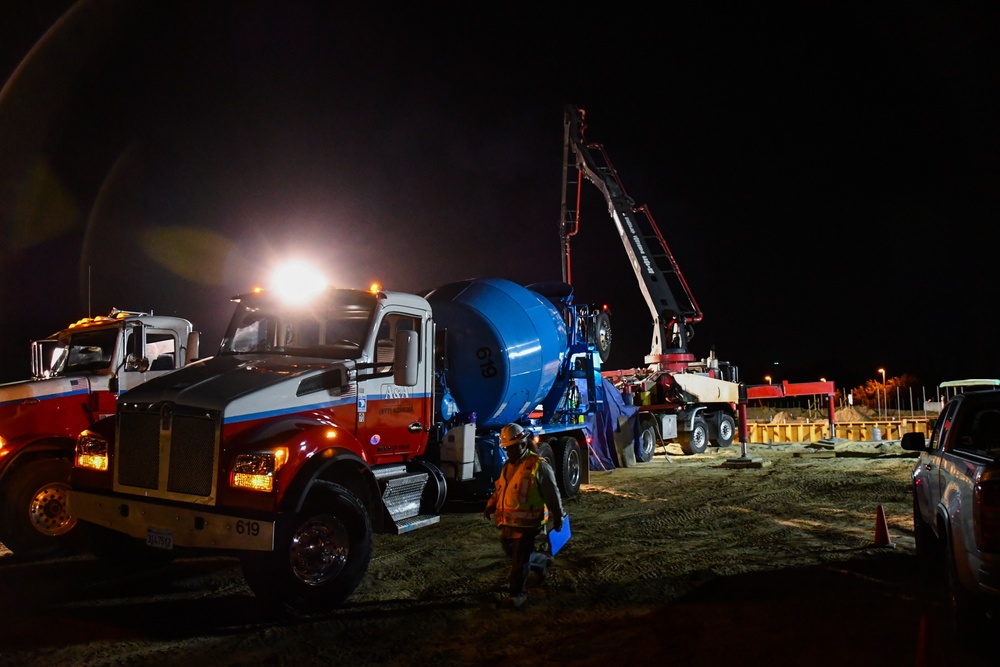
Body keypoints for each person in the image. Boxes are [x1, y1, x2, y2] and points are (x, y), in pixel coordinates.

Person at [483, 422, 565, 609]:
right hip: (509, 523)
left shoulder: (537, 466)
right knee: (511, 551)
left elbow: (552, 493)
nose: (508, 452)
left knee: (519, 560)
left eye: (511, 448)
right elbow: (500, 490)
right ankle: (541, 562)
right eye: (506, 448)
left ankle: (517, 594)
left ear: (523, 444)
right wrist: (490, 505)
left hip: (529, 524)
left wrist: (558, 515)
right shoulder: (507, 467)